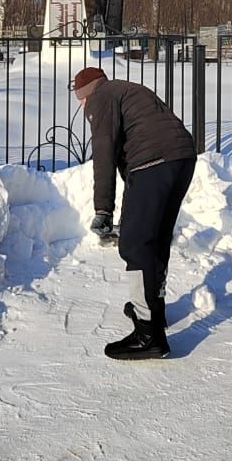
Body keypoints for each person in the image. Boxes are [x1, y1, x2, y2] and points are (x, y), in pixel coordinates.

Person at [73, 66, 196, 360]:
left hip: (153, 162)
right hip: (182, 159)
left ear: (84, 93)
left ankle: (148, 333)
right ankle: (153, 307)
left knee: (134, 242)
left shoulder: (99, 98)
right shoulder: (125, 89)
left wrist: (103, 209)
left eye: (79, 100)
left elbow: (103, 152)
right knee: (155, 239)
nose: (81, 106)